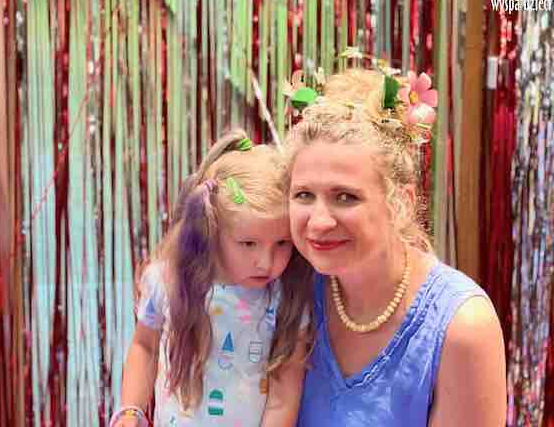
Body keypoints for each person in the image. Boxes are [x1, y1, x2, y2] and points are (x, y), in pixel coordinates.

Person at [284, 68, 506, 426]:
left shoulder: (462, 328)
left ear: (400, 201)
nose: (319, 221)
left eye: (346, 197)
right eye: (304, 195)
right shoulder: (289, 290)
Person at [111, 130, 313, 427]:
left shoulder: (285, 297)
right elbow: (145, 346)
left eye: (282, 243)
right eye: (248, 243)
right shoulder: (166, 281)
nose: (266, 262)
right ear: (211, 228)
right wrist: (130, 411)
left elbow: (284, 393)